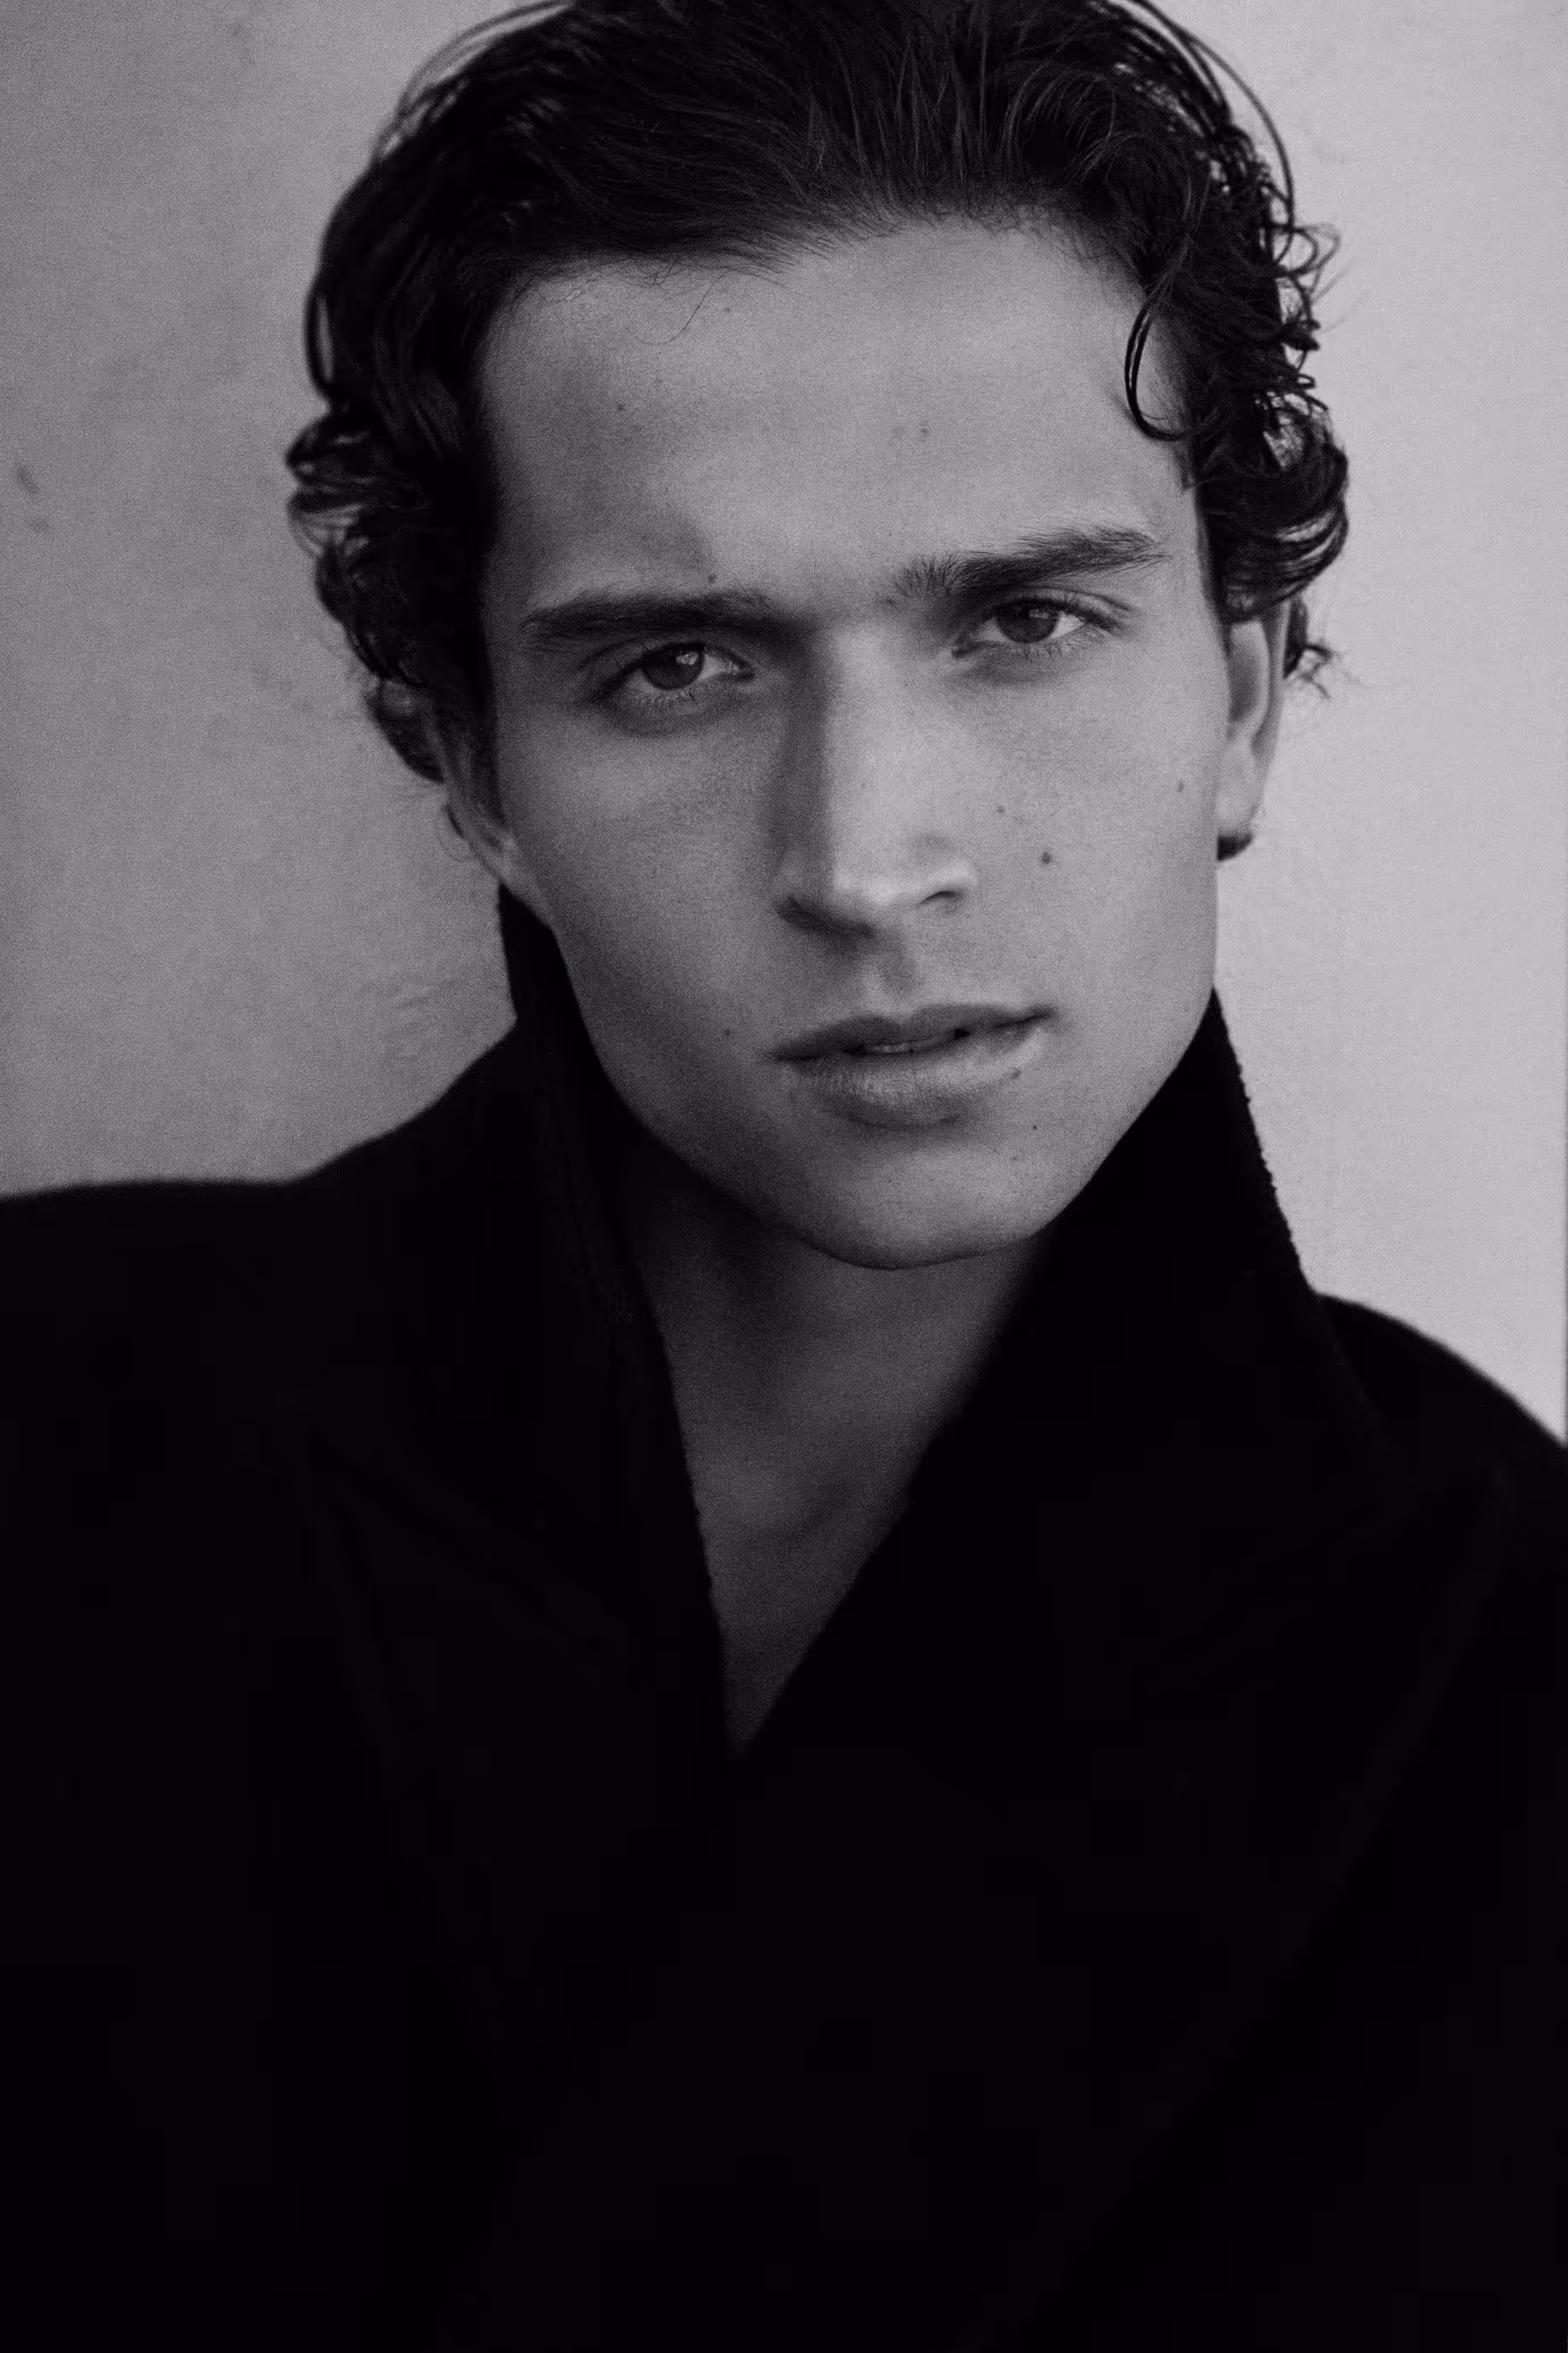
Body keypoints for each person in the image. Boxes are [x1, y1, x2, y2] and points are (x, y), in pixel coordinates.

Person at [3, 1, 1563, 2344]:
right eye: (682, 668)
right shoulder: (44, 1440)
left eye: (1020, 622)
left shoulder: (1520, 1673)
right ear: (469, 765)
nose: (864, 859)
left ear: (1241, 691)